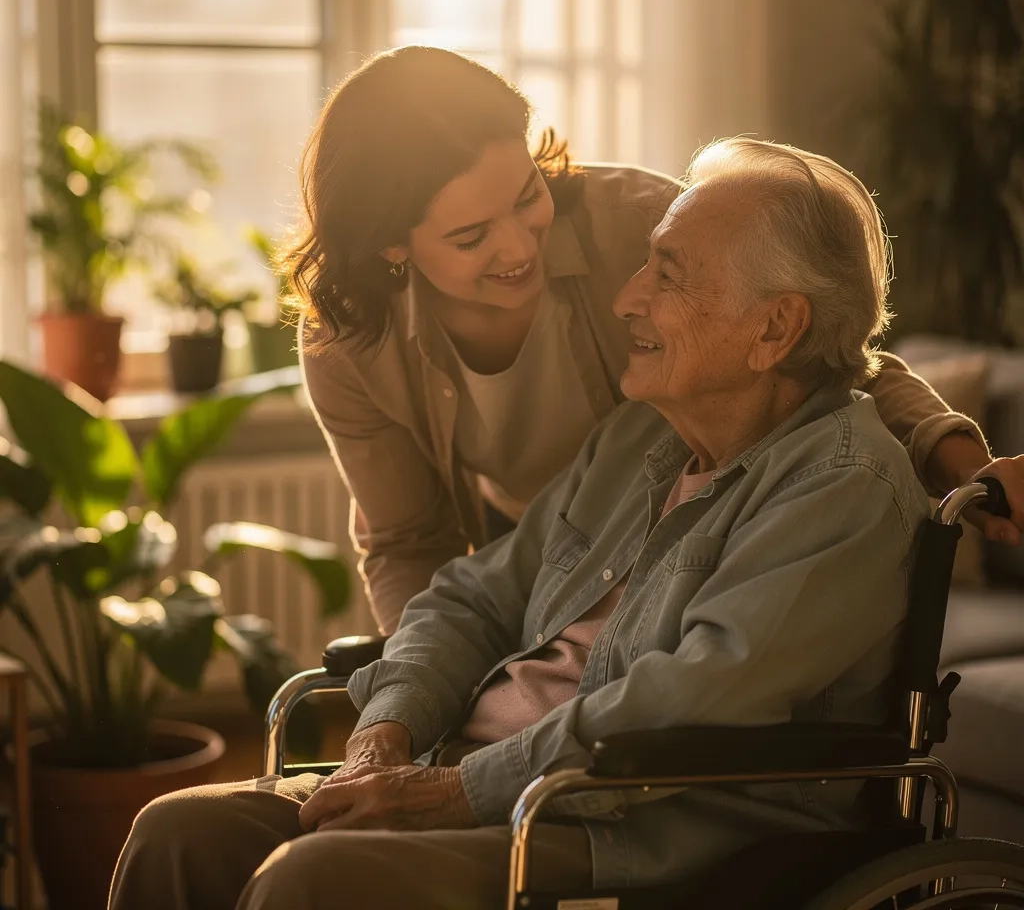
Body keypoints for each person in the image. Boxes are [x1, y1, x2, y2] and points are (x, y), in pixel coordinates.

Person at [115, 139, 949, 910]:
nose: (627, 297)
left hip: (624, 826)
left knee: (313, 883)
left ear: (775, 328)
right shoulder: (639, 439)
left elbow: (688, 704)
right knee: (181, 832)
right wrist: (387, 734)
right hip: (484, 784)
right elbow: (471, 597)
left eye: (667, 273)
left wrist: (451, 793)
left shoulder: (842, 487)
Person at [288, 46, 1022, 634]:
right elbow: (409, 544)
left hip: (699, 533)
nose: (519, 248)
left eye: (526, 197)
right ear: (391, 248)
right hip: (538, 544)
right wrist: (415, 698)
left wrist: (971, 467)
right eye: (471, 236)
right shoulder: (347, 342)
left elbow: (828, 353)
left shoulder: (641, 224)